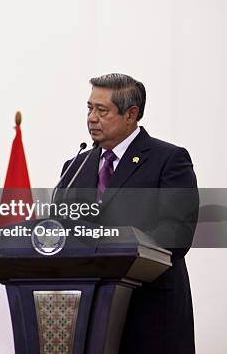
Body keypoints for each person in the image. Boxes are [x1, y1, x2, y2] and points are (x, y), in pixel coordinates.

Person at [57, 73, 198, 353]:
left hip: (149, 314)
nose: (92, 118)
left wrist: (111, 247)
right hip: (87, 313)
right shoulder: (74, 167)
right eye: (89, 108)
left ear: (131, 114)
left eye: (102, 110)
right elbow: (61, 231)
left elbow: (176, 234)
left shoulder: (169, 160)